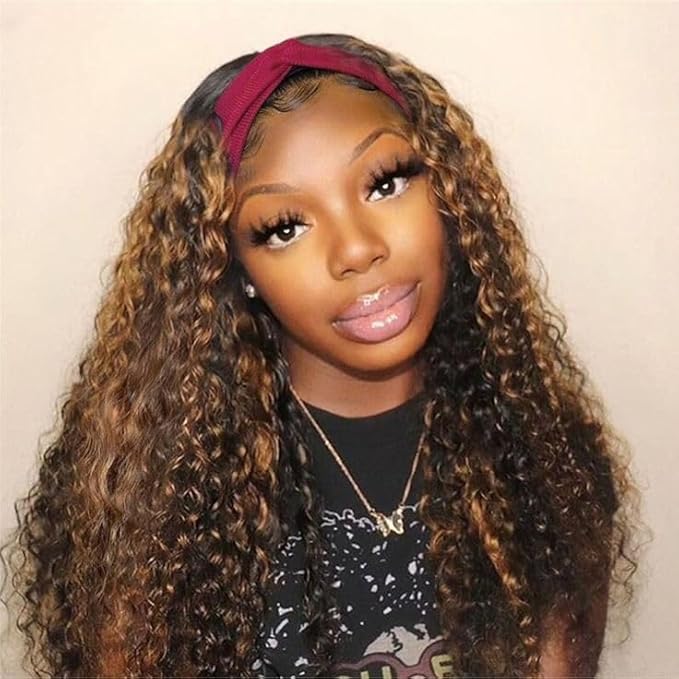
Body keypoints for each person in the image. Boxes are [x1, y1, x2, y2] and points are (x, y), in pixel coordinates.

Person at [0, 33, 641, 679]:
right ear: (234, 266)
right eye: (285, 227)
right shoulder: (162, 498)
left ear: (449, 192)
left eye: (386, 183)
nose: (356, 249)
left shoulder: (542, 461)